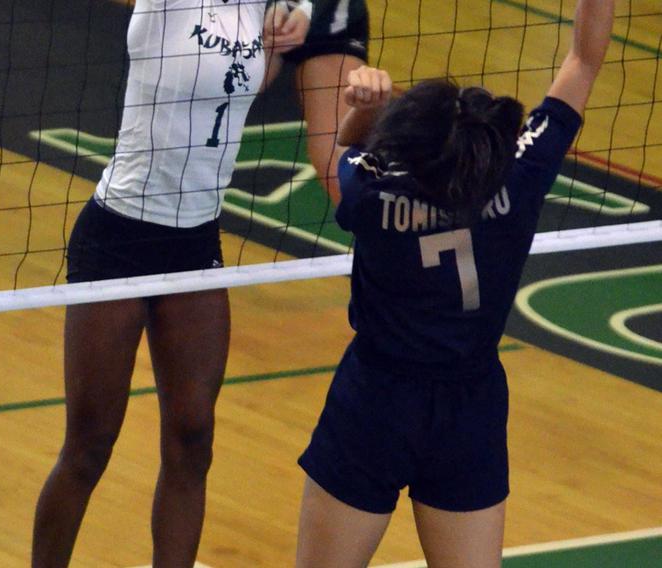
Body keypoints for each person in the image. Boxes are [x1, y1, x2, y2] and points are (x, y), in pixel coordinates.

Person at [295, 1, 614, 566]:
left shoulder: (375, 195)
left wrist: (362, 111)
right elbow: (583, 61)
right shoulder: (518, 178)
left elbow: (342, 155)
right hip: (471, 408)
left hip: (374, 403)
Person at [31, 1, 306, 567]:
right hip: (118, 236)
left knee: (192, 438)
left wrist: (293, 19)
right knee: (89, 445)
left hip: (196, 241)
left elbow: (232, 94)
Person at [264, 0, 370, 204]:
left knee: (341, 172)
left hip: (331, 23)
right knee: (207, 110)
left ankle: (381, 234)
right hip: (244, 13)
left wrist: (308, 8)